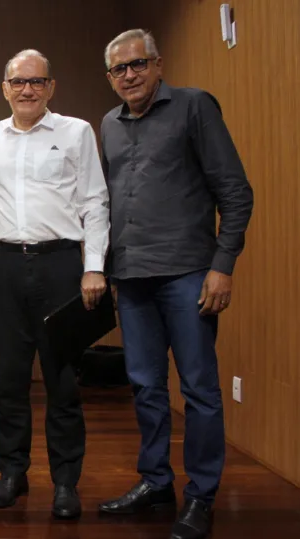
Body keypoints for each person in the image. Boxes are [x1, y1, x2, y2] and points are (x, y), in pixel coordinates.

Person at [98, 29, 254, 539]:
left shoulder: (194, 108)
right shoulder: (109, 124)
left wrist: (223, 264)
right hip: (133, 277)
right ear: (110, 77)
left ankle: (202, 496)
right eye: (118, 69)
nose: (129, 75)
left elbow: (235, 191)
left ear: (158, 64)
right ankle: (156, 481)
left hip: (190, 273)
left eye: (137, 64)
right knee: (144, 386)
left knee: (199, 390)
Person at [0, 49, 109, 517]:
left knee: (62, 380)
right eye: (19, 82)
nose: (28, 89)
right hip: (4, 266)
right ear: (5, 88)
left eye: (37, 82)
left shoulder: (76, 132)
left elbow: (95, 201)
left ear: (50, 88)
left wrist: (94, 265)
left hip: (63, 266)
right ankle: (12, 473)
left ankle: (66, 482)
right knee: (8, 379)